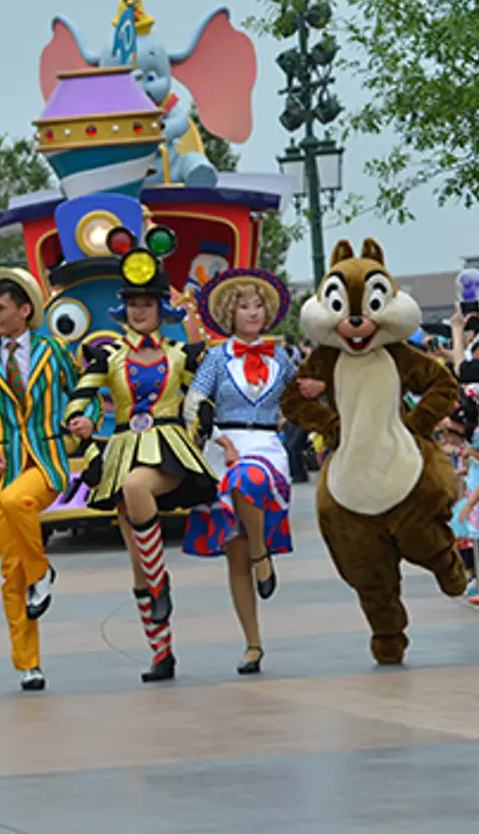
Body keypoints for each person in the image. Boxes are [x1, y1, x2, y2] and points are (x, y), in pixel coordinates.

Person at [66, 242, 219, 683]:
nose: (139, 311)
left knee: (137, 486)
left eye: (147, 303)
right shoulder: (108, 356)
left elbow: (202, 394)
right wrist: (80, 422)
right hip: (119, 450)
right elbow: (79, 402)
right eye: (133, 303)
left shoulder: (180, 354)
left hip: (167, 447)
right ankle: (161, 653)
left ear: (160, 307)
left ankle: (162, 584)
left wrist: (204, 418)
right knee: (135, 560)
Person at [0, 268, 86, 691]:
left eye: (0, 308)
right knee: (10, 571)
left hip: (44, 461)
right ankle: (28, 663)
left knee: (16, 503)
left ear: (24, 310)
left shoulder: (55, 351)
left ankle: (42, 573)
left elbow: (85, 391)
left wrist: (83, 420)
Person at [182, 268, 298, 675]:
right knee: (234, 556)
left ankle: (261, 553)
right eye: (244, 306)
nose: (253, 312)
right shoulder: (215, 357)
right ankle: (252, 644)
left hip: (265, 445)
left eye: (259, 305)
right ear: (230, 314)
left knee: (247, 481)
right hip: (223, 447)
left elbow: (301, 403)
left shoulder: (282, 358)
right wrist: (218, 441)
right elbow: (192, 408)